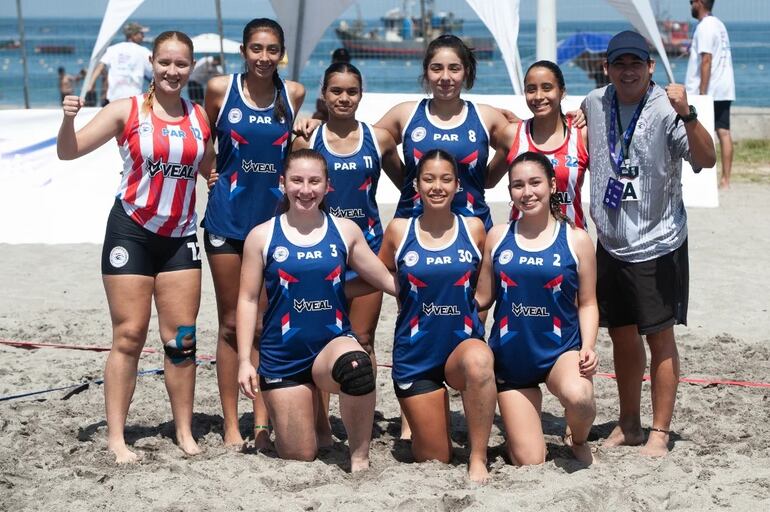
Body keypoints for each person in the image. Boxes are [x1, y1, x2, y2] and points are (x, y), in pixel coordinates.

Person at [57, 31, 214, 464]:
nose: (173, 71)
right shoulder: (125, 110)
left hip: (181, 237)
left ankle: (184, 431)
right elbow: (68, 152)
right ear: (152, 61)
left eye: (181, 64)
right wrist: (68, 117)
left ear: (192, 66)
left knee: (181, 340)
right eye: (165, 62)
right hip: (131, 232)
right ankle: (117, 438)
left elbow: (212, 169)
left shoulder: (199, 117)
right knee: (128, 336)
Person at [582, 31, 716, 457]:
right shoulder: (594, 102)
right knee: (621, 337)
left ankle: (659, 430)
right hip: (610, 241)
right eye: (619, 63)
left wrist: (690, 114)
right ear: (607, 67)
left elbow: (706, 160)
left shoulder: (666, 107)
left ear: (651, 67)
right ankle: (629, 424)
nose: (628, 70)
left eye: (636, 63)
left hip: (658, 241)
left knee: (659, 338)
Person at [236, 149, 397, 472]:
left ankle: (359, 458)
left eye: (314, 181)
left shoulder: (345, 230)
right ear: (282, 183)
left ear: (327, 187)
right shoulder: (262, 236)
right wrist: (243, 361)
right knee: (301, 454)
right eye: (297, 180)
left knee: (358, 366)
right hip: (283, 356)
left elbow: (386, 279)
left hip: (330, 346)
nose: (305, 190)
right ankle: (306, 414)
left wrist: (433, 293)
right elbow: (248, 300)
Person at [201, 18, 305, 449]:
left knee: (266, 325)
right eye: (256, 49)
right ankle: (230, 424)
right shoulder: (219, 90)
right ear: (243, 51)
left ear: (281, 53)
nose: (264, 57)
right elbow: (205, 141)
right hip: (226, 222)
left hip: (272, 227)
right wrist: (209, 172)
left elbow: (297, 148)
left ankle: (261, 423)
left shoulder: (293, 94)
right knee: (230, 324)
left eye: (272, 50)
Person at [291, 62, 402, 443]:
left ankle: (361, 422)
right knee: (320, 338)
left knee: (364, 339)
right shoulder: (308, 139)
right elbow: (290, 196)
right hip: (320, 254)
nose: (343, 98)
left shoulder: (379, 138)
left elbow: (410, 187)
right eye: (336, 91)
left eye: (351, 91)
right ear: (323, 93)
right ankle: (321, 425)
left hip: (367, 253)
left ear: (361, 94)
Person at [377, 149, 496, 483]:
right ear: (416, 184)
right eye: (428, 178)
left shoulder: (474, 229)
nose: (437, 186)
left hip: (461, 351)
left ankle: (478, 457)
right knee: (436, 458)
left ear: (458, 185)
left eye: (446, 179)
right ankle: (427, 420)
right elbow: (377, 272)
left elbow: (485, 292)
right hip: (416, 356)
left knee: (480, 359)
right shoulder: (399, 230)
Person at [475, 151, 599, 466]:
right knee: (530, 461)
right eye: (518, 185)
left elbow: (587, 302)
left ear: (552, 185)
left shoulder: (576, 239)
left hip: (561, 352)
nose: (527, 192)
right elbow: (482, 300)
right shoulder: (498, 237)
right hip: (512, 361)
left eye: (535, 183)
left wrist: (588, 346)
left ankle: (578, 437)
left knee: (580, 398)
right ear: (509, 192)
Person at [489, 60, 590, 229]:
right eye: (531, 89)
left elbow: (608, 179)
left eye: (547, 88)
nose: (538, 96)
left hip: (571, 241)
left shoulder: (582, 134)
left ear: (562, 92)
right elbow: (487, 181)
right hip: (521, 242)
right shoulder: (512, 135)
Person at [686, 0, 735, 188]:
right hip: (724, 87)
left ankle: (702, 180)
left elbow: (706, 59)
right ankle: (726, 180)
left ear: (699, 3)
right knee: (724, 132)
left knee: (697, 133)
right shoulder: (718, 24)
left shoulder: (705, 26)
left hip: (709, 89)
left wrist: (702, 93)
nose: (690, 5)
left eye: (691, 2)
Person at [87, 22, 152, 105]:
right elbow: (153, 71)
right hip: (133, 99)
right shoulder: (144, 51)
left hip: (113, 98)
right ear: (133, 35)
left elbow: (100, 66)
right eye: (141, 33)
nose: (143, 36)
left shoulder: (113, 49)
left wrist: (90, 84)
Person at [312, 48, 351, 122]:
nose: (341, 64)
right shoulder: (327, 75)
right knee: (318, 116)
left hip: (351, 113)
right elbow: (319, 104)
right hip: (330, 112)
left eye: (344, 61)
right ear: (333, 61)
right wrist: (336, 113)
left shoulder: (356, 77)